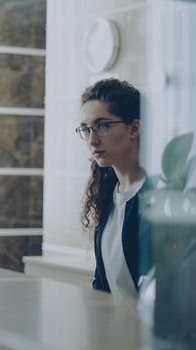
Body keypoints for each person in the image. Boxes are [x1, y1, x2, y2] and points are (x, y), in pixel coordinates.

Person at [76, 78, 151, 298]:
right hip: (114, 330)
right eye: (86, 130)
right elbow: (102, 283)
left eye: (102, 126)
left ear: (135, 128)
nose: (92, 140)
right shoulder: (108, 196)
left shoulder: (157, 196)